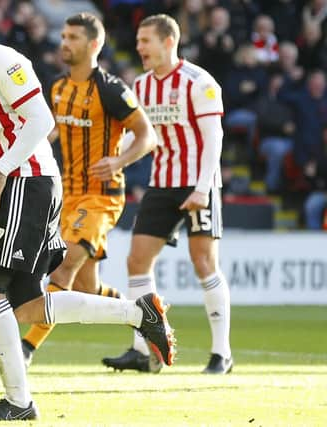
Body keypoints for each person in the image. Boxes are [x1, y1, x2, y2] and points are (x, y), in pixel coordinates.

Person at [0, 0, 175, 421]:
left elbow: (39, 121)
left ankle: (19, 402)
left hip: (26, 181)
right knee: (28, 306)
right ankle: (138, 312)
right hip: (7, 183)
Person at [20, 12, 157, 367]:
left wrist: (120, 160)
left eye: (74, 37)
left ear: (94, 44)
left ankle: (25, 349)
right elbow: (48, 131)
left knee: (61, 270)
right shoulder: (58, 86)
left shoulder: (110, 89)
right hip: (68, 195)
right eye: (64, 36)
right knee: (86, 291)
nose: (65, 43)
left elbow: (147, 135)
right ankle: (147, 316)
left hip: (101, 196)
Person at [102, 14, 232, 375]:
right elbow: (140, 135)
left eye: (146, 41)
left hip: (197, 182)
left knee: (204, 261)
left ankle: (222, 353)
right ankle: (144, 349)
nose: (139, 47)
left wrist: (204, 188)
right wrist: (117, 159)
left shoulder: (199, 82)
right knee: (136, 261)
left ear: (168, 42)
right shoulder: (141, 86)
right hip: (162, 182)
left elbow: (213, 138)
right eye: (139, 41)